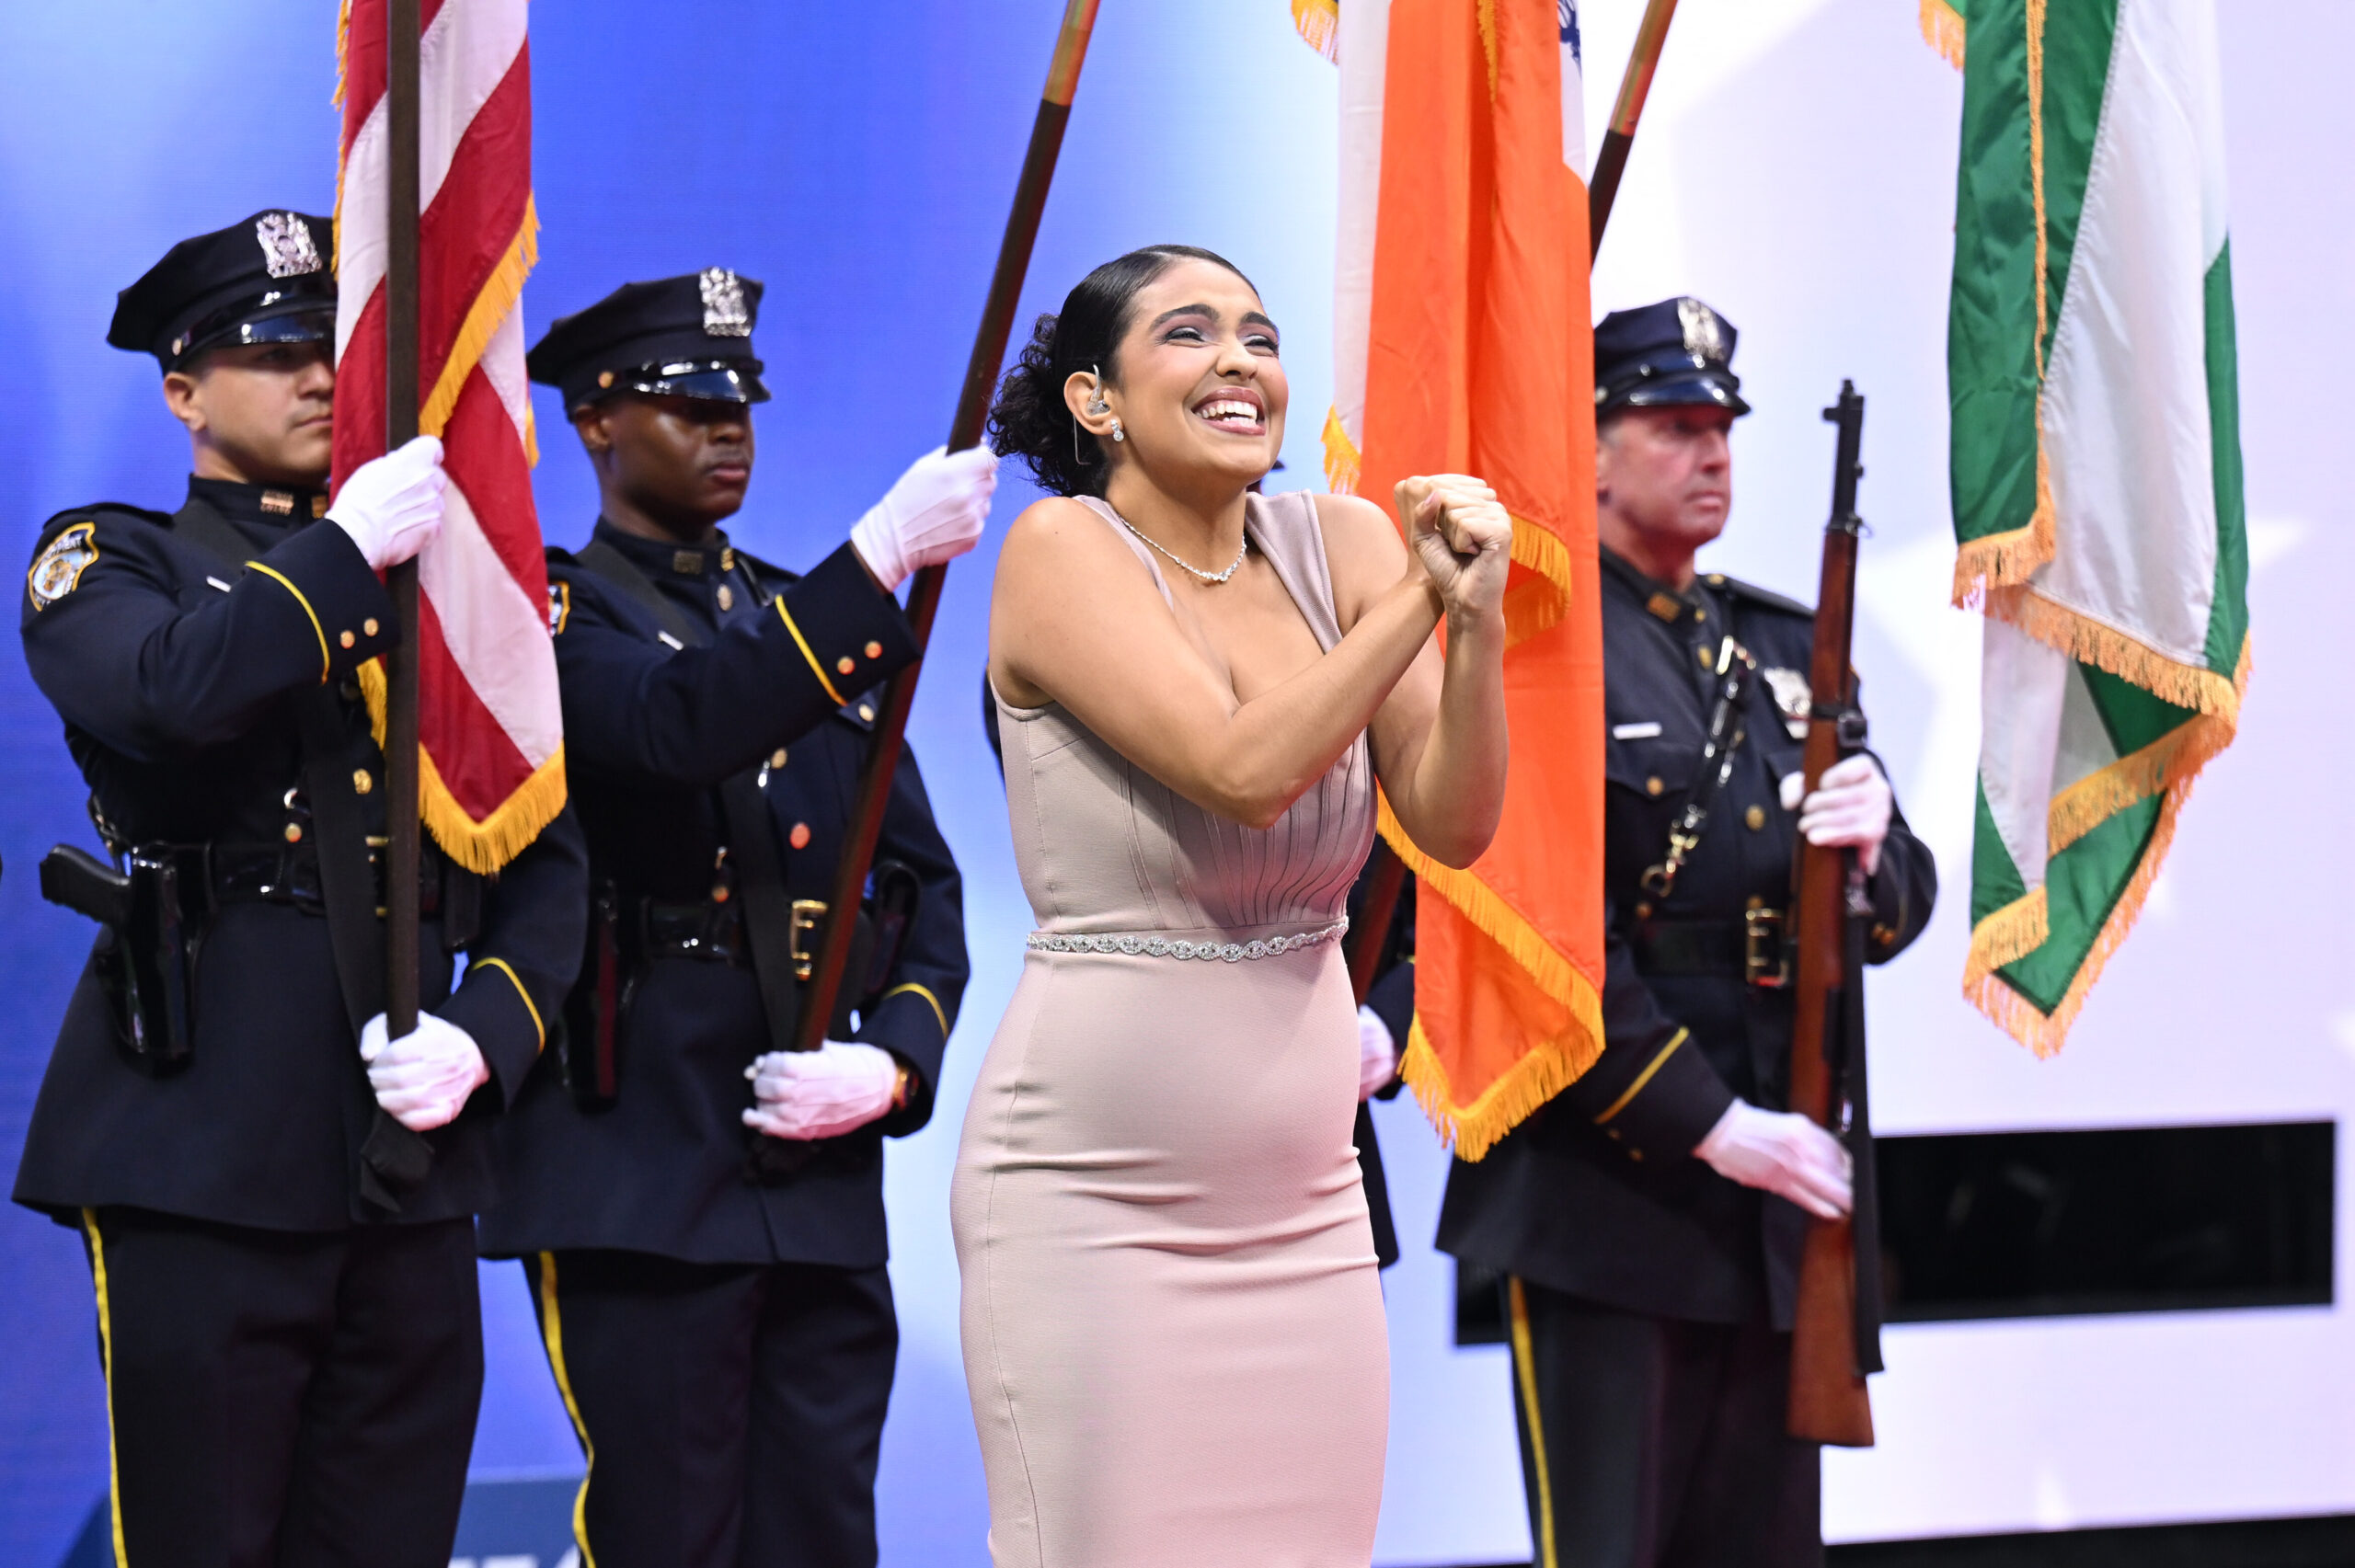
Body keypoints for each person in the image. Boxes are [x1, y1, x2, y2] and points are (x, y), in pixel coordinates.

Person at [13, 211, 587, 1565]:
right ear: (184, 390)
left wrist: (487, 1034)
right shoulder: (109, 556)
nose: (321, 376)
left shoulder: (443, 596)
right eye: (272, 350)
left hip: (406, 1157)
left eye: (331, 344)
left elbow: (546, 857)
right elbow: (173, 694)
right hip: (204, 1139)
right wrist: (338, 554)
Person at [955, 243, 1512, 1566]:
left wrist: (1477, 626)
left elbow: (1452, 820)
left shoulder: (1349, 540)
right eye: (1190, 334)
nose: (1239, 363)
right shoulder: (1057, 551)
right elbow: (1246, 769)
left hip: (1306, 1205)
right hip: (1096, 1206)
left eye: (1258, 336)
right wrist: (1423, 600)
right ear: (1098, 402)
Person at [475, 269, 982, 1568]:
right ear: (593, 420)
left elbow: (919, 876)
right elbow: (677, 722)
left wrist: (895, 1060)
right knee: (668, 1535)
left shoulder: (789, 612)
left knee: (823, 1537)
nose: (727, 426)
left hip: (815, 1168)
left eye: (740, 399)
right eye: (687, 401)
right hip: (641, 1148)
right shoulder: (547, 615)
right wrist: (873, 562)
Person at [1437, 297, 1938, 1568]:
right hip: (1617, 1192)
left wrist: (1880, 846)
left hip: (1776, 1212)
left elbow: (1892, 912)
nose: (1713, 452)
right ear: (1590, 445)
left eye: (1722, 427)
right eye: (1674, 425)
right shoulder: (1537, 647)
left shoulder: (1778, 645)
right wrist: (1715, 1126)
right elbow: (1540, 938)